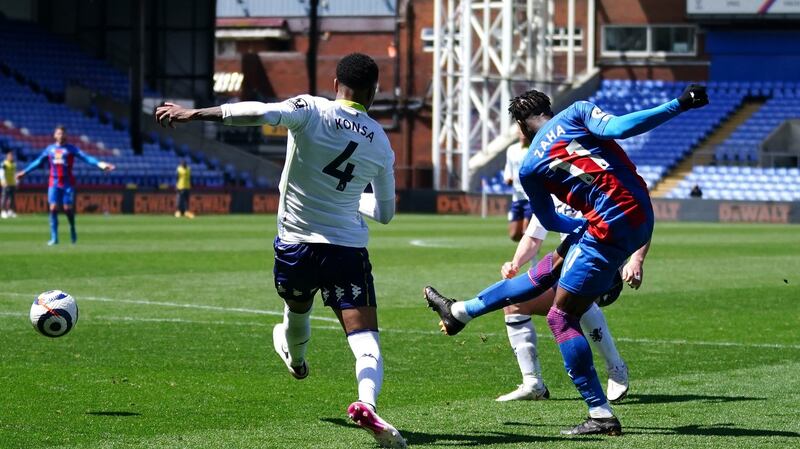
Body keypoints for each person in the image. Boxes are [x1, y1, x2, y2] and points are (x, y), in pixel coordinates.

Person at [154, 53, 406, 449]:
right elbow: (387, 213)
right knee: (364, 336)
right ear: (373, 92)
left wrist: (196, 113)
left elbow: (260, 112)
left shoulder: (311, 109)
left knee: (296, 309)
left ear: (335, 81)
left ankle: (298, 362)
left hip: (295, 247)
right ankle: (366, 401)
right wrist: (349, 201)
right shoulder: (381, 141)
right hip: (347, 250)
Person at [424, 85, 708, 435]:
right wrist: (679, 104)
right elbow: (619, 128)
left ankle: (600, 415)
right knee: (543, 275)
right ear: (548, 109)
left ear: (521, 125)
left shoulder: (529, 166)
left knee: (561, 317)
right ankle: (459, 312)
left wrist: (580, 224)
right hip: (641, 215)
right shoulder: (576, 111)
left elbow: (550, 220)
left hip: (608, 226)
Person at [495, 199, 647, 403]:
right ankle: (533, 384)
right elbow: (533, 237)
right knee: (514, 303)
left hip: (605, 267)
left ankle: (616, 367)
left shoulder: (599, 181)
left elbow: (641, 218)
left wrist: (636, 260)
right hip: (570, 269)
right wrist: (515, 263)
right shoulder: (549, 189)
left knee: (574, 298)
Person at [16, 125, 115, 244]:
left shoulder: (71, 149)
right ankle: (54, 237)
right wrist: (25, 172)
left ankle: (72, 228)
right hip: (53, 182)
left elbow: (86, 158)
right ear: (54, 135)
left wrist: (101, 165)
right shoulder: (49, 149)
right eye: (58, 133)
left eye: (62, 133)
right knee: (53, 208)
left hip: (67, 183)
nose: (60, 135)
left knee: (67, 208)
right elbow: (38, 162)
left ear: (66, 135)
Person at [503, 129, 532, 241]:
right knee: (514, 235)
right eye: (521, 132)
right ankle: (530, 251)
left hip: (531, 196)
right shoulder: (511, 149)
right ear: (517, 134)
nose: (523, 135)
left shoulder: (534, 148)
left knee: (527, 232)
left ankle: (533, 258)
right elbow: (508, 168)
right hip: (517, 196)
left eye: (525, 132)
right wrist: (507, 178)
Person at [1, 151, 17, 218]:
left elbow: (14, 173)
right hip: (5, 183)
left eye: (11, 156)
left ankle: (10, 211)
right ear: (7, 157)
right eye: (9, 156)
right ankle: (3, 212)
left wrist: (16, 181)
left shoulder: (14, 164)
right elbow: (1, 173)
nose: (11, 157)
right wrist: (3, 181)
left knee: (12, 198)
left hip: (12, 183)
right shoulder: (4, 164)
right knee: (4, 198)